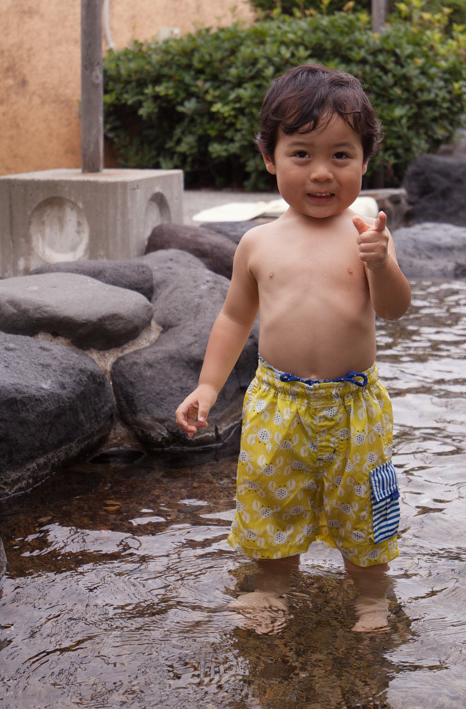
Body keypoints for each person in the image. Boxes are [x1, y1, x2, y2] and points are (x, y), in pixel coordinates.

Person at [174, 63, 411, 634]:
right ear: (269, 157)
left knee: (368, 510)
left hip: (355, 407)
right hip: (278, 404)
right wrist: (208, 385)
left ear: (364, 159)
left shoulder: (366, 233)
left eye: (341, 155)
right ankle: (273, 586)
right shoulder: (258, 243)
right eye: (301, 154)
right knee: (269, 504)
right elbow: (234, 318)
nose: (322, 173)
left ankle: (372, 596)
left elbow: (395, 308)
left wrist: (381, 264)